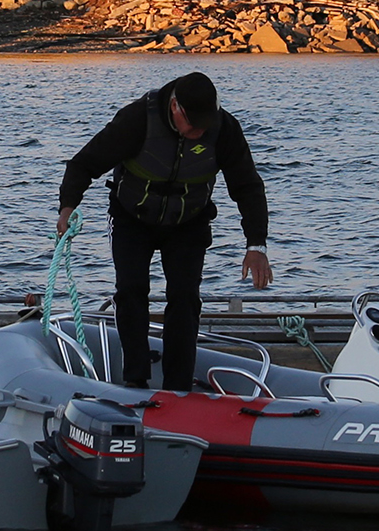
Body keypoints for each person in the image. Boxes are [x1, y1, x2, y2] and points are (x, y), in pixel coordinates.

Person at [57, 72, 271, 391]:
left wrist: (257, 245)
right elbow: (84, 164)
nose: (200, 132)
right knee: (131, 290)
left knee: (184, 297)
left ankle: (178, 384)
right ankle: (136, 378)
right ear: (175, 107)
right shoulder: (137, 119)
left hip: (189, 222)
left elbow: (248, 187)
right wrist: (68, 207)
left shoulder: (224, 129)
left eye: (205, 124)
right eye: (194, 124)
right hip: (132, 217)